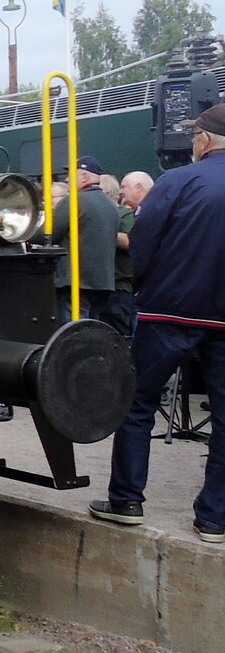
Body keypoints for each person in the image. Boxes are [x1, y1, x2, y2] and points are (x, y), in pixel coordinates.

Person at [89, 104, 225, 543]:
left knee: (137, 403)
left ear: (204, 141)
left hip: (169, 311)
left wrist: (149, 288)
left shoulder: (179, 181)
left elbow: (143, 245)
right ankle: (215, 519)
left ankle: (127, 500)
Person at [50, 155, 118, 323]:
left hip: (76, 284)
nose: (67, 179)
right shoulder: (112, 206)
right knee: (91, 334)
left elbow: (49, 234)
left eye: (71, 175)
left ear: (85, 176)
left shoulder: (74, 201)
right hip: (103, 284)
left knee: (73, 337)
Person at [99, 175, 135, 337]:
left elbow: (129, 240)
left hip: (118, 288)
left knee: (120, 337)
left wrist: (100, 229)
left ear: (106, 194)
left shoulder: (125, 215)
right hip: (97, 287)